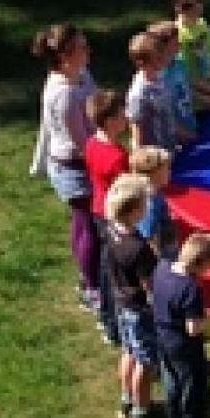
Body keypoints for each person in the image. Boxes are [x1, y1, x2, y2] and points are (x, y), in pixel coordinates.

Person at [28, 23, 99, 311]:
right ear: (65, 56)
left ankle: (89, 275)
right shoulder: (63, 93)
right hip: (72, 165)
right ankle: (90, 286)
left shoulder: (80, 75)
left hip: (83, 157)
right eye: (83, 47)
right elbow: (81, 140)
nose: (89, 51)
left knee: (86, 223)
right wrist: (105, 160)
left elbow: (94, 104)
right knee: (87, 225)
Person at [152, 231, 210, 418]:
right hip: (185, 348)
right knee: (193, 397)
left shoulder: (162, 269)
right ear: (201, 263)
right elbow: (193, 328)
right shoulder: (190, 289)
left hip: (163, 339)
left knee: (172, 390)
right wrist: (207, 322)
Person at [103, 173, 159, 418]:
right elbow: (150, 286)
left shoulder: (111, 230)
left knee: (128, 351)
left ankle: (126, 398)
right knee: (144, 361)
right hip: (138, 307)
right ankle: (142, 409)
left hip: (120, 301)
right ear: (135, 209)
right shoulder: (139, 248)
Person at [83, 89, 129, 345]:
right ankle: (113, 325)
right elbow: (125, 188)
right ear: (111, 120)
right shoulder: (117, 157)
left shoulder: (92, 143)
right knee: (115, 271)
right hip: (113, 214)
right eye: (122, 114)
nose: (126, 117)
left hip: (99, 209)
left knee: (105, 265)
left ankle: (105, 316)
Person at [126, 30, 178, 155]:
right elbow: (137, 132)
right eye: (157, 58)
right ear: (142, 63)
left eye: (162, 55)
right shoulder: (139, 94)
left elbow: (166, 115)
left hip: (170, 146)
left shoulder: (159, 76)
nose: (163, 60)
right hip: (155, 156)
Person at [149, 20, 198, 142]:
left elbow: (186, 89)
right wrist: (188, 136)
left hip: (189, 124)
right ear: (162, 47)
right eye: (175, 42)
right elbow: (163, 118)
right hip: (173, 138)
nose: (180, 44)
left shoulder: (179, 63)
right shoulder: (157, 78)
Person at [130, 146, 177, 261]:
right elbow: (149, 236)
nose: (170, 172)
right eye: (166, 169)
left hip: (166, 242)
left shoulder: (154, 192)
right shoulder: (150, 201)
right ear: (155, 174)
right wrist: (158, 262)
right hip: (163, 251)